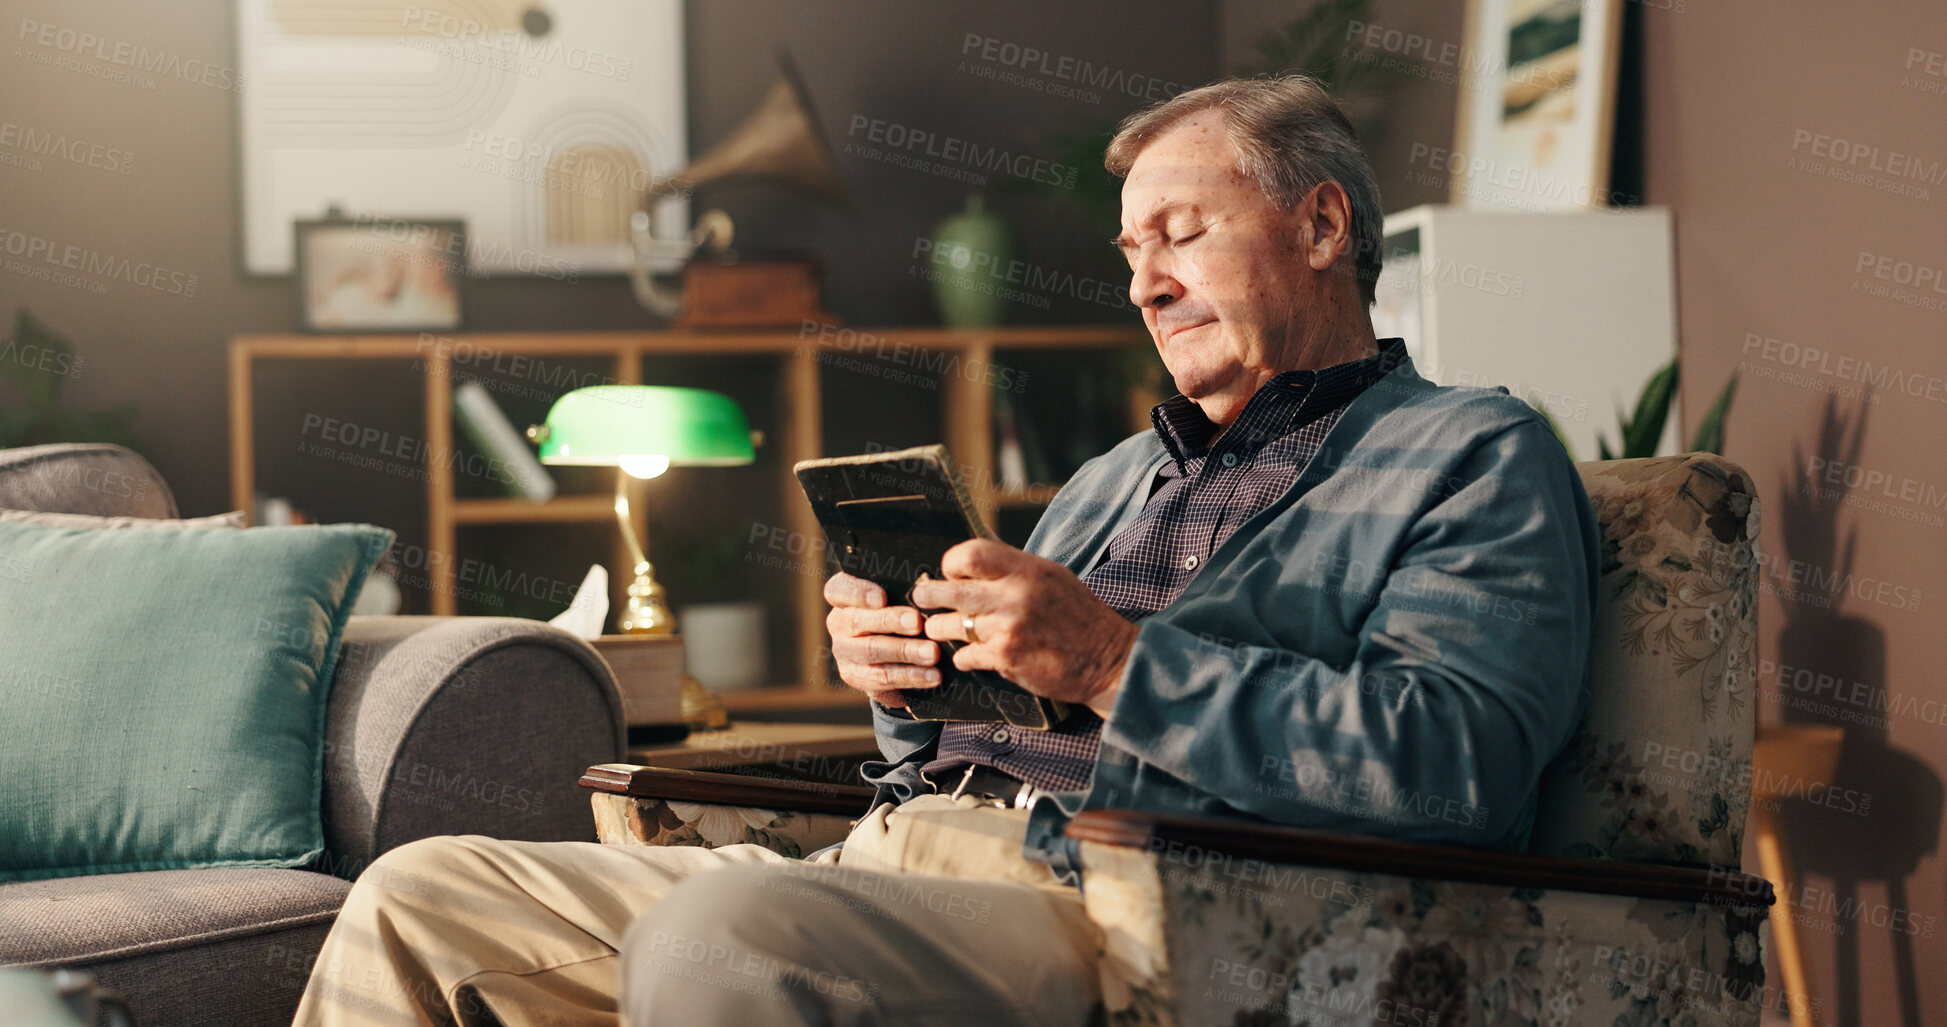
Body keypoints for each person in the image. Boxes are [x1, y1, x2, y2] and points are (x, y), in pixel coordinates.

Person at [291, 74, 1598, 1027]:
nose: (1144, 283)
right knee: (419, 896)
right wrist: (905, 680)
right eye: (1132, 251)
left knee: (723, 942)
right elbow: (948, 746)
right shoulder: (1109, 480)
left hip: (1122, 901)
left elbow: (1458, 769)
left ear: (1320, 229)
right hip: (897, 852)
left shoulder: (1468, 454)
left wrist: (1115, 665)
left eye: (1183, 235)